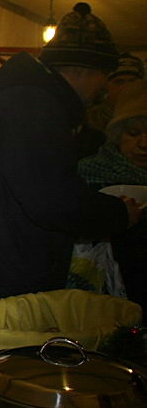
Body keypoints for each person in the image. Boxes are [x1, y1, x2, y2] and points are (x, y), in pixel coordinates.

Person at [0, 3, 142, 310]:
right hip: (5, 288)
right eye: (104, 75)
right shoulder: (33, 107)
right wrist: (116, 213)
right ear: (82, 71)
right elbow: (51, 198)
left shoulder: (26, 101)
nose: (103, 86)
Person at [77, 80, 147, 307]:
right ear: (118, 135)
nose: (143, 143)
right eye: (133, 133)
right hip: (104, 292)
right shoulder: (89, 173)